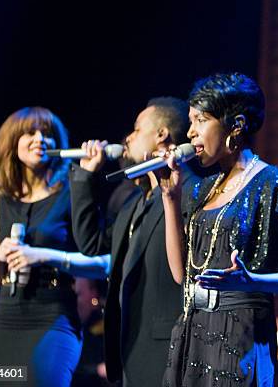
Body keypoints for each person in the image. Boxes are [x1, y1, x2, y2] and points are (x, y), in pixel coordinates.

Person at [158, 72, 278, 386]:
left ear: (236, 125)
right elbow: (181, 275)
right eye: (190, 121)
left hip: (240, 335)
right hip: (193, 328)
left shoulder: (275, 184)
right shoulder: (200, 190)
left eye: (201, 120)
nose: (191, 132)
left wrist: (252, 280)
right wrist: (170, 199)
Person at [69, 97, 191, 386]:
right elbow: (91, 243)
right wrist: (86, 175)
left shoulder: (187, 192)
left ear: (161, 135)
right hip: (129, 349)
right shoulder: (133, 203)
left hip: (166, 351)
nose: (128, 137)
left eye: (137, 129)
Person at [0, 107, 110, 387]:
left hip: (54, 317)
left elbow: (101, 262)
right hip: (6, 319)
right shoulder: (0, 202)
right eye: (30, 132)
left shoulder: (71, 192)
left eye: (48, 135)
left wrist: (40, 255)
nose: (40, 139)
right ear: (12, 142)